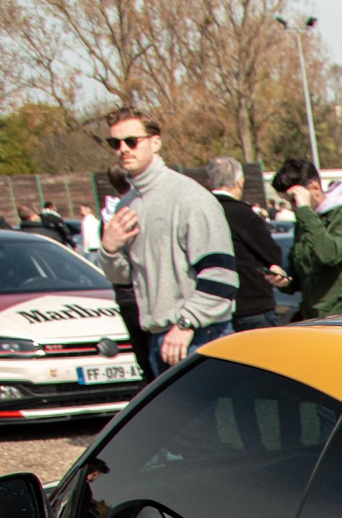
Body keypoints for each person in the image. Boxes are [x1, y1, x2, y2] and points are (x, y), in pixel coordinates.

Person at [96, 112, 237, 376]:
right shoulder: (127, 205)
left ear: (155, 142)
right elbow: (124, 278)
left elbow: (222, 275)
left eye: (131, 141)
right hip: (158, 337)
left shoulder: (189, 196)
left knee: (214, 419)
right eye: (115, 143)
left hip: (200, 335)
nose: (123, 150)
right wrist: (109, 249)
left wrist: (186, 325)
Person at [275, 156, 342, 320]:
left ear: (314, 188)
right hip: (316, 317)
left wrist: (306, 211)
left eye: (294, 200)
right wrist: (284, 281)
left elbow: (329, 254)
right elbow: (303, 275)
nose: (293, 207)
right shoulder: (306, 221)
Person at [205, 156, 289, 331]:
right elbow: (271, 254)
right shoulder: (245, 215)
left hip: (212, 306)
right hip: (252, 305)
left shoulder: (201, 214)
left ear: (209, 183)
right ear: (240, 182)